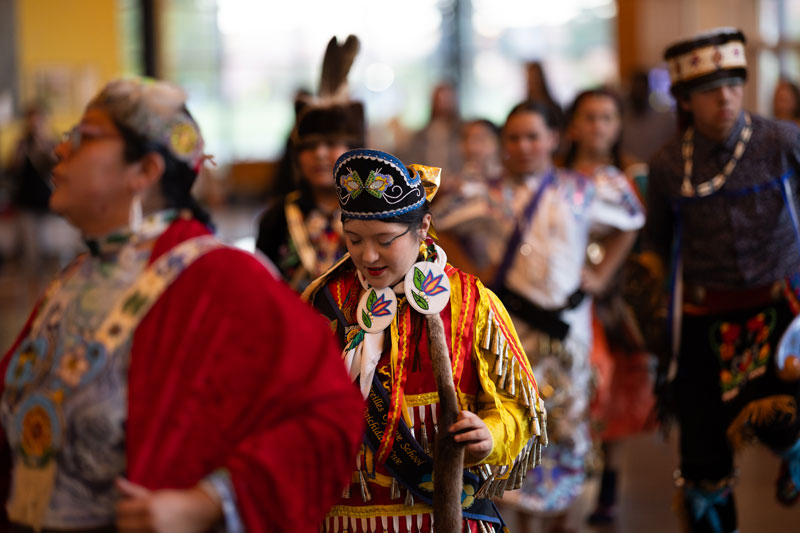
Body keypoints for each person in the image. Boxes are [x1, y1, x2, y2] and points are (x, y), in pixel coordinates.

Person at [0, 77, 364, 533]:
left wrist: (211, 501)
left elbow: (330, 415)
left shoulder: (219, 276)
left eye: (84, 137)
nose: (59, 150)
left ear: (146, 170)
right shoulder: (79, 275)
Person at [303, 148, 546, 532]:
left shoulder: (470, 301)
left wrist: (489, 437)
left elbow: (521, 409)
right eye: (353, 240)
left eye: (385, 240)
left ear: (423, 227)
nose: (368, 255)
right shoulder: (325, 302)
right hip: (345, 518)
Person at [645, 28, 800, 532]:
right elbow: (657, 242)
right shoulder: (669, 164)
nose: (725, 98)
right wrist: (647, 302)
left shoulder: (782, 141)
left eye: (734, 85)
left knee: (788, 418)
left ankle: (793, 458)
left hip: (781, 311)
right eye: (711, 91)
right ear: (687, 100)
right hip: (704, 317)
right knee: (703, 452)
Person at [488, 101, 643, 533]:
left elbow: (631, 219)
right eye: (514, 138)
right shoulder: (487, 193)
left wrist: (601, 273)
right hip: (512, 329)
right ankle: (520, 520)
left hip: (568, 328)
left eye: (533, 136)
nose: (523, 146)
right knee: (516, 421)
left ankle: (562, 521)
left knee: (567, 422)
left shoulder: (581, 189)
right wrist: (476, 270)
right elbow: (439, 222)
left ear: (554, 139)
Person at [563, 88, 652, 524]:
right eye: (590, 117)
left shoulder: (629, 177)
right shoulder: (556, 174)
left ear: (617, 126)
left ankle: (609, 484)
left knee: (615, 389)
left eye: (607, 117)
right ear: (574, 125)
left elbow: (638, 231)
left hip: (616, 300)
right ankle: (566, 481)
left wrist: (603, 273)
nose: (598, 125)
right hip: (564, 297)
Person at [256, 35, 364, 291]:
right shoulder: (277, 219)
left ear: (354, 151)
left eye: (331, 143)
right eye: (310, 147)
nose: (320, 154)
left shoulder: (377, 215)